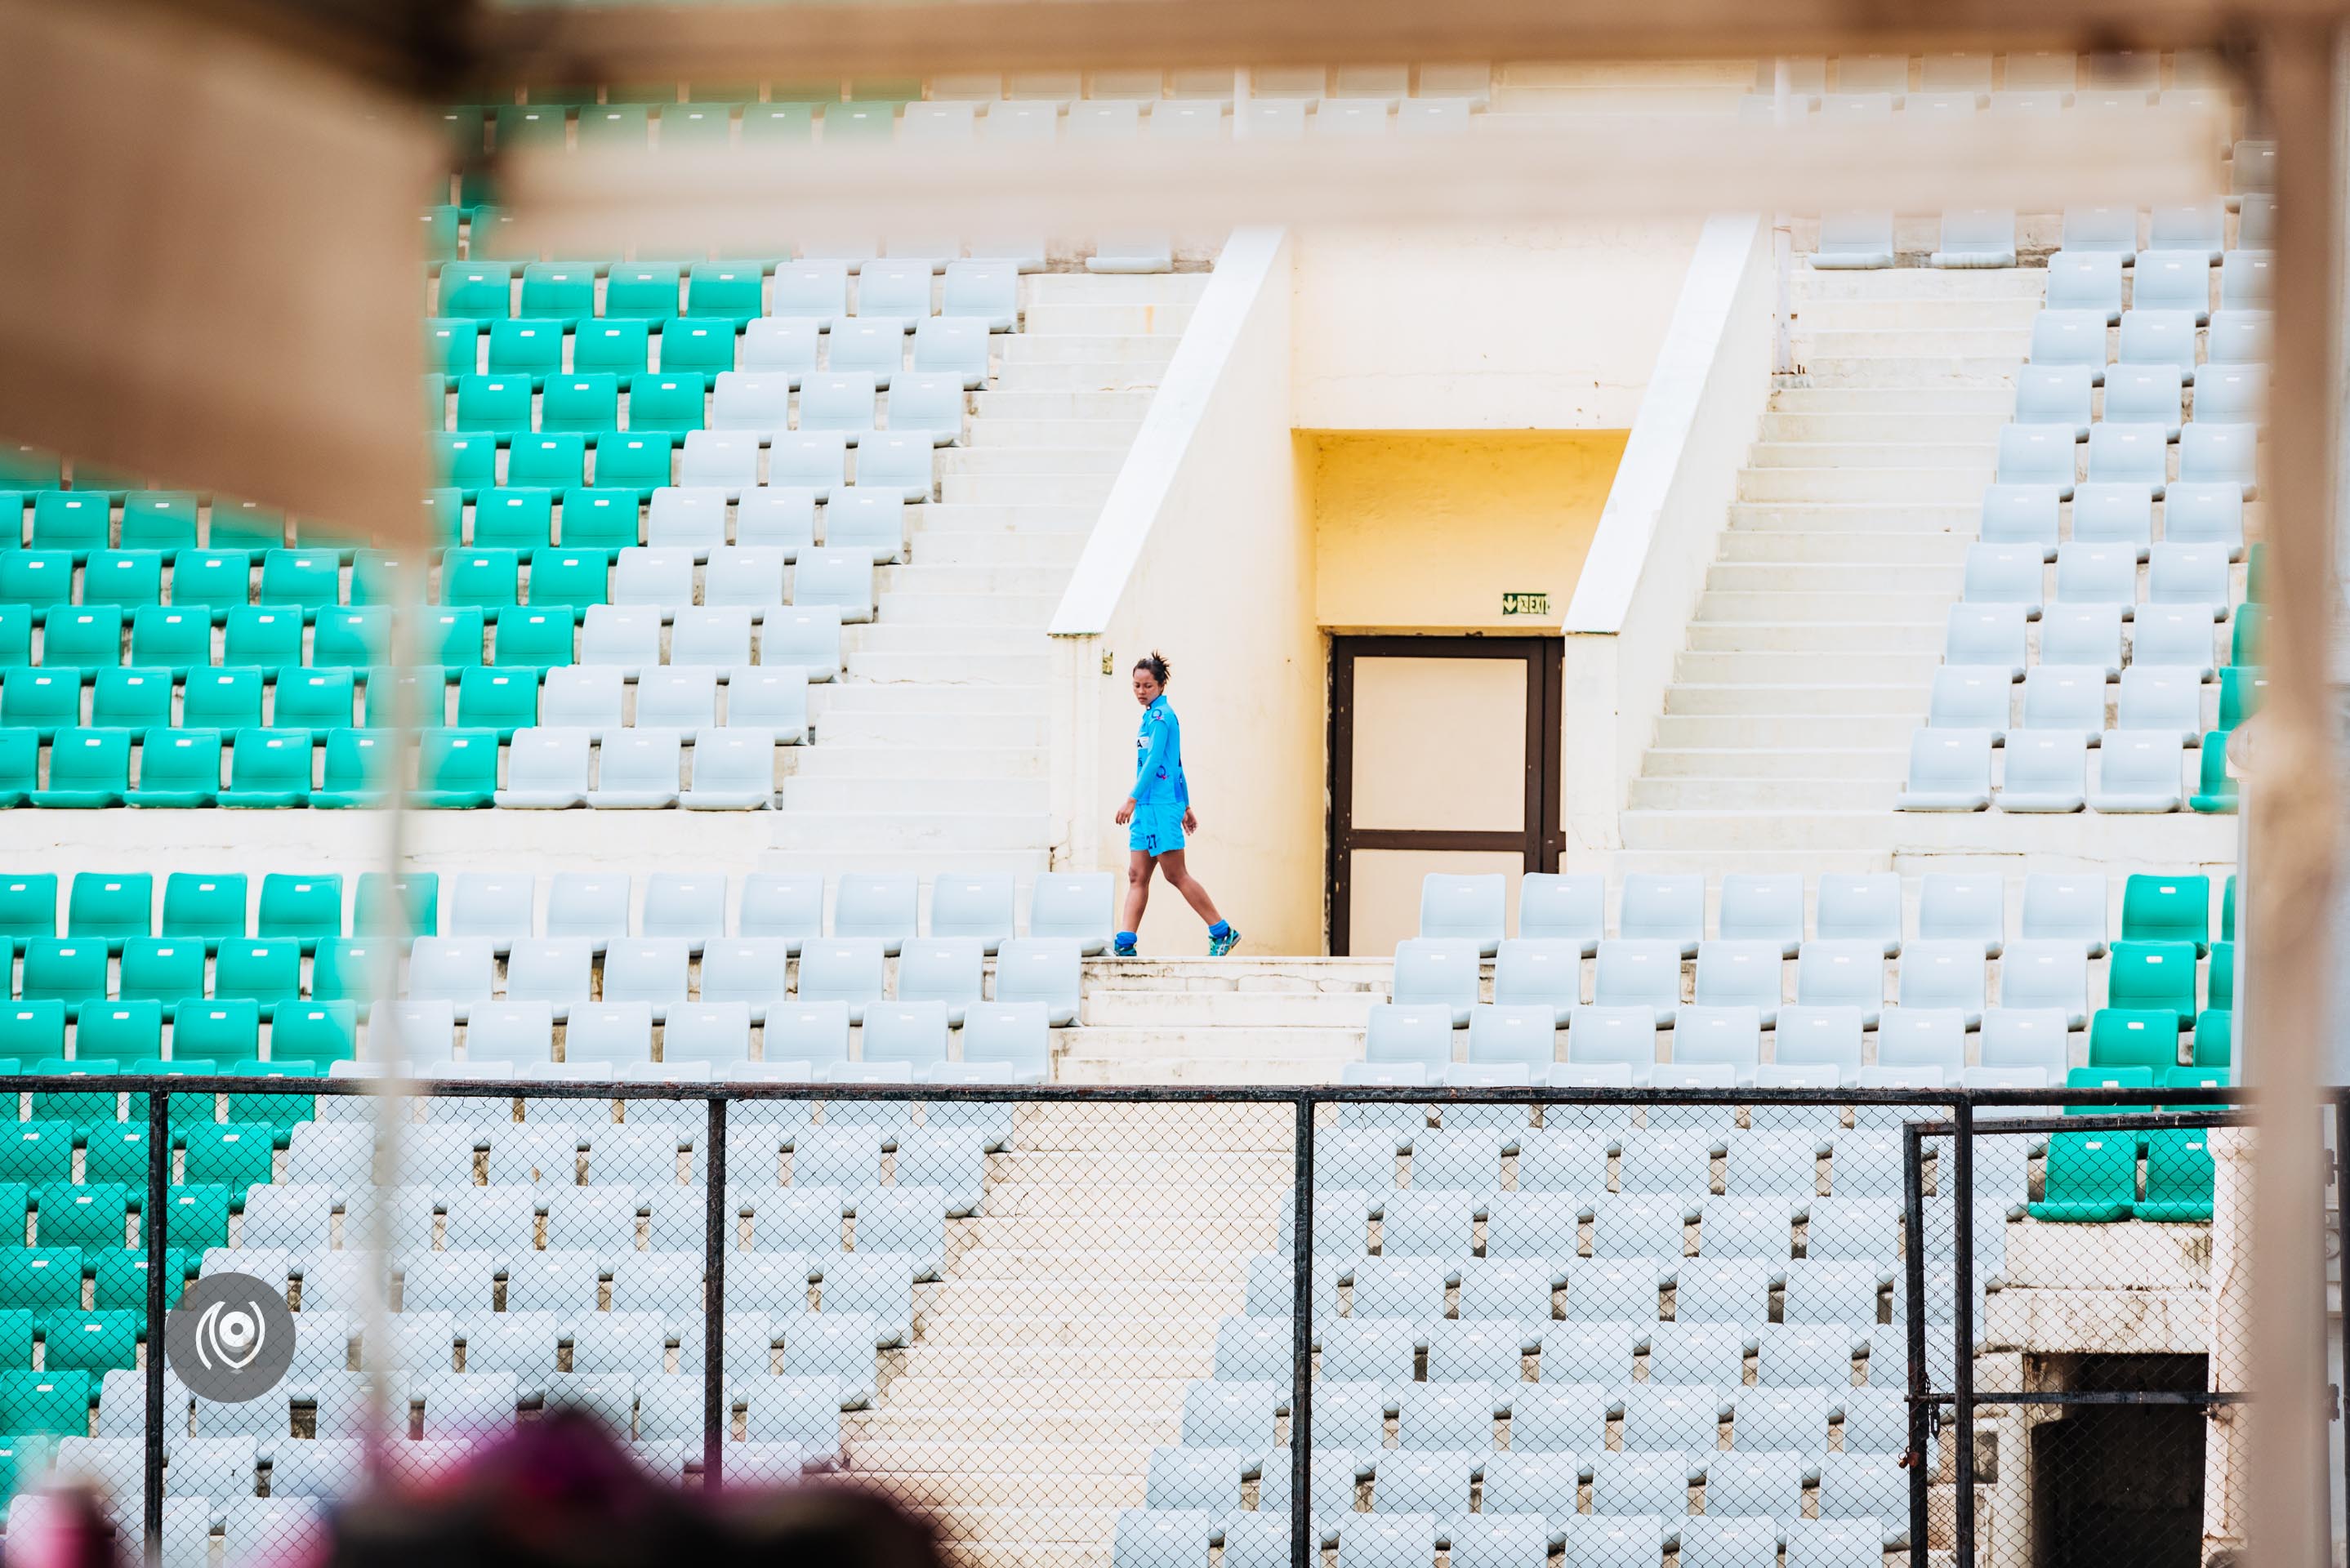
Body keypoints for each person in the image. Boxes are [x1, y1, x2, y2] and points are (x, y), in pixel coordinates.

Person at [1115, 652, 1239, 956]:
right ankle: (1125, 944)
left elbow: (1159, 761)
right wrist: (1186, 805)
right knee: (1137, 875)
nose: (1141, 691)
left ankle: (1222, 931)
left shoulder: (1162, 718)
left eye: (1147, 686)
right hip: (1148, 808)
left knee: (1175, 874)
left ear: (1160, 686)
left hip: (1157, 806)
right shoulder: (1149, 716)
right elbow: (1176, 764)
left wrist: (1132, 799)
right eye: (1136, 686)